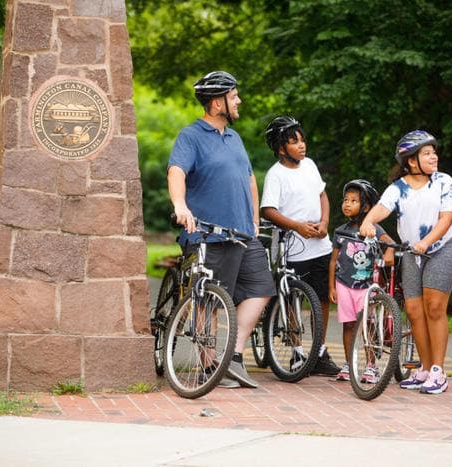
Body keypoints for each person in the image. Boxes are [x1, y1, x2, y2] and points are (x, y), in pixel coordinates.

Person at [167, 71, 276, 389]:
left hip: (243, 233)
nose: (239, 100)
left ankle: (233, 356)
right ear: (218, 103)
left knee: (261, 289)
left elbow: (249, 178)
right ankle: (209, 365)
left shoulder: (234, 137)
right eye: (234, 96)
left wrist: (254, 220)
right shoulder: (191, 136)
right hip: (208, 233)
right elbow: (177, 171)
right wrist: (180, 205)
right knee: (210, 302)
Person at [360, 130, 452, 395]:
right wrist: (368, 221)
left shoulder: (444, 182)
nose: (434, 156)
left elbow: (447, 218)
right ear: (411, 161)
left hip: (442, 248)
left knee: (434, 307)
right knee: (414, 312)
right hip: (412, 255)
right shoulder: (399, 187)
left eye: (434, 152)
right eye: (427, 153)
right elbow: (381, 208)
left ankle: (439, 371)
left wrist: (426, 242)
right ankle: (425, 369)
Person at [260, 116, 340, 376]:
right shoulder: (276, 175)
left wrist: (325, 221)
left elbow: (322, 195)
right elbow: (268, 210)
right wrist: (296, 226)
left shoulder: (310, 166)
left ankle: (319, 351)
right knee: (293, 298)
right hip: (293, 247)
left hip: (320, 245)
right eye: (294, 142)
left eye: (302, 139)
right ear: (281, 148)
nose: (302, 145)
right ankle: (296, 352)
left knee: (321, 299)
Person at [329, 179, 395, 382]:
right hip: (343, 284)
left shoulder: (374, 228)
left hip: (367, 286)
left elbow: (390, 243)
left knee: (368, 325)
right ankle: (349, 364)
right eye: (345, 200)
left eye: (353, 201)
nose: (347, 204)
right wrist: (331, 286)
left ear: (366, 206)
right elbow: (333, 261)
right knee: (348, 325)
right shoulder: (340, 231)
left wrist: (389, 254)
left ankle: (371, 365)